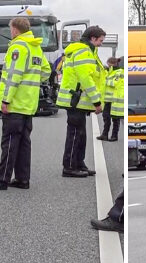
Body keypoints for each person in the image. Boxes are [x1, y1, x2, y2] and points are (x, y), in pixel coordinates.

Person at [0, 17, 51, 191]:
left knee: (10, 142)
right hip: (29, 104)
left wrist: (6, 100)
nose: (10, 32)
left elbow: (12, 76)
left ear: (15, 30)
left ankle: (2, 179)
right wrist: (32, 80)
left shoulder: (18, 47)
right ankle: (22, 179)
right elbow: (46, 72)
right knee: (24, 144)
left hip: (15, 103)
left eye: (11, 29)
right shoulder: (35, 47)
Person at [57, 25, 106, 178]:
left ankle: (79, 163)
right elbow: (86, 78)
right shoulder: (84, 52)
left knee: (81, 134)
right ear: (92, 38)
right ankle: (70, 166)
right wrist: (97, 101)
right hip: (75, 99)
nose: (101, 44)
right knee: (75, 134)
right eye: (100, 41)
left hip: (77, 99)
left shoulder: (87, 51)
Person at [97, 58, 123, 142]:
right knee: (106, 117)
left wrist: (106, 81)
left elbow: (114, 83)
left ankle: (114, 136)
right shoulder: (110, 72)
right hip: (107, 100)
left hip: (115, 100)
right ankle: (105, 134)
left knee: (115, 119)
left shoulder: (119, 72)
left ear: (112, 64)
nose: (107, 66)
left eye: (108, 64)